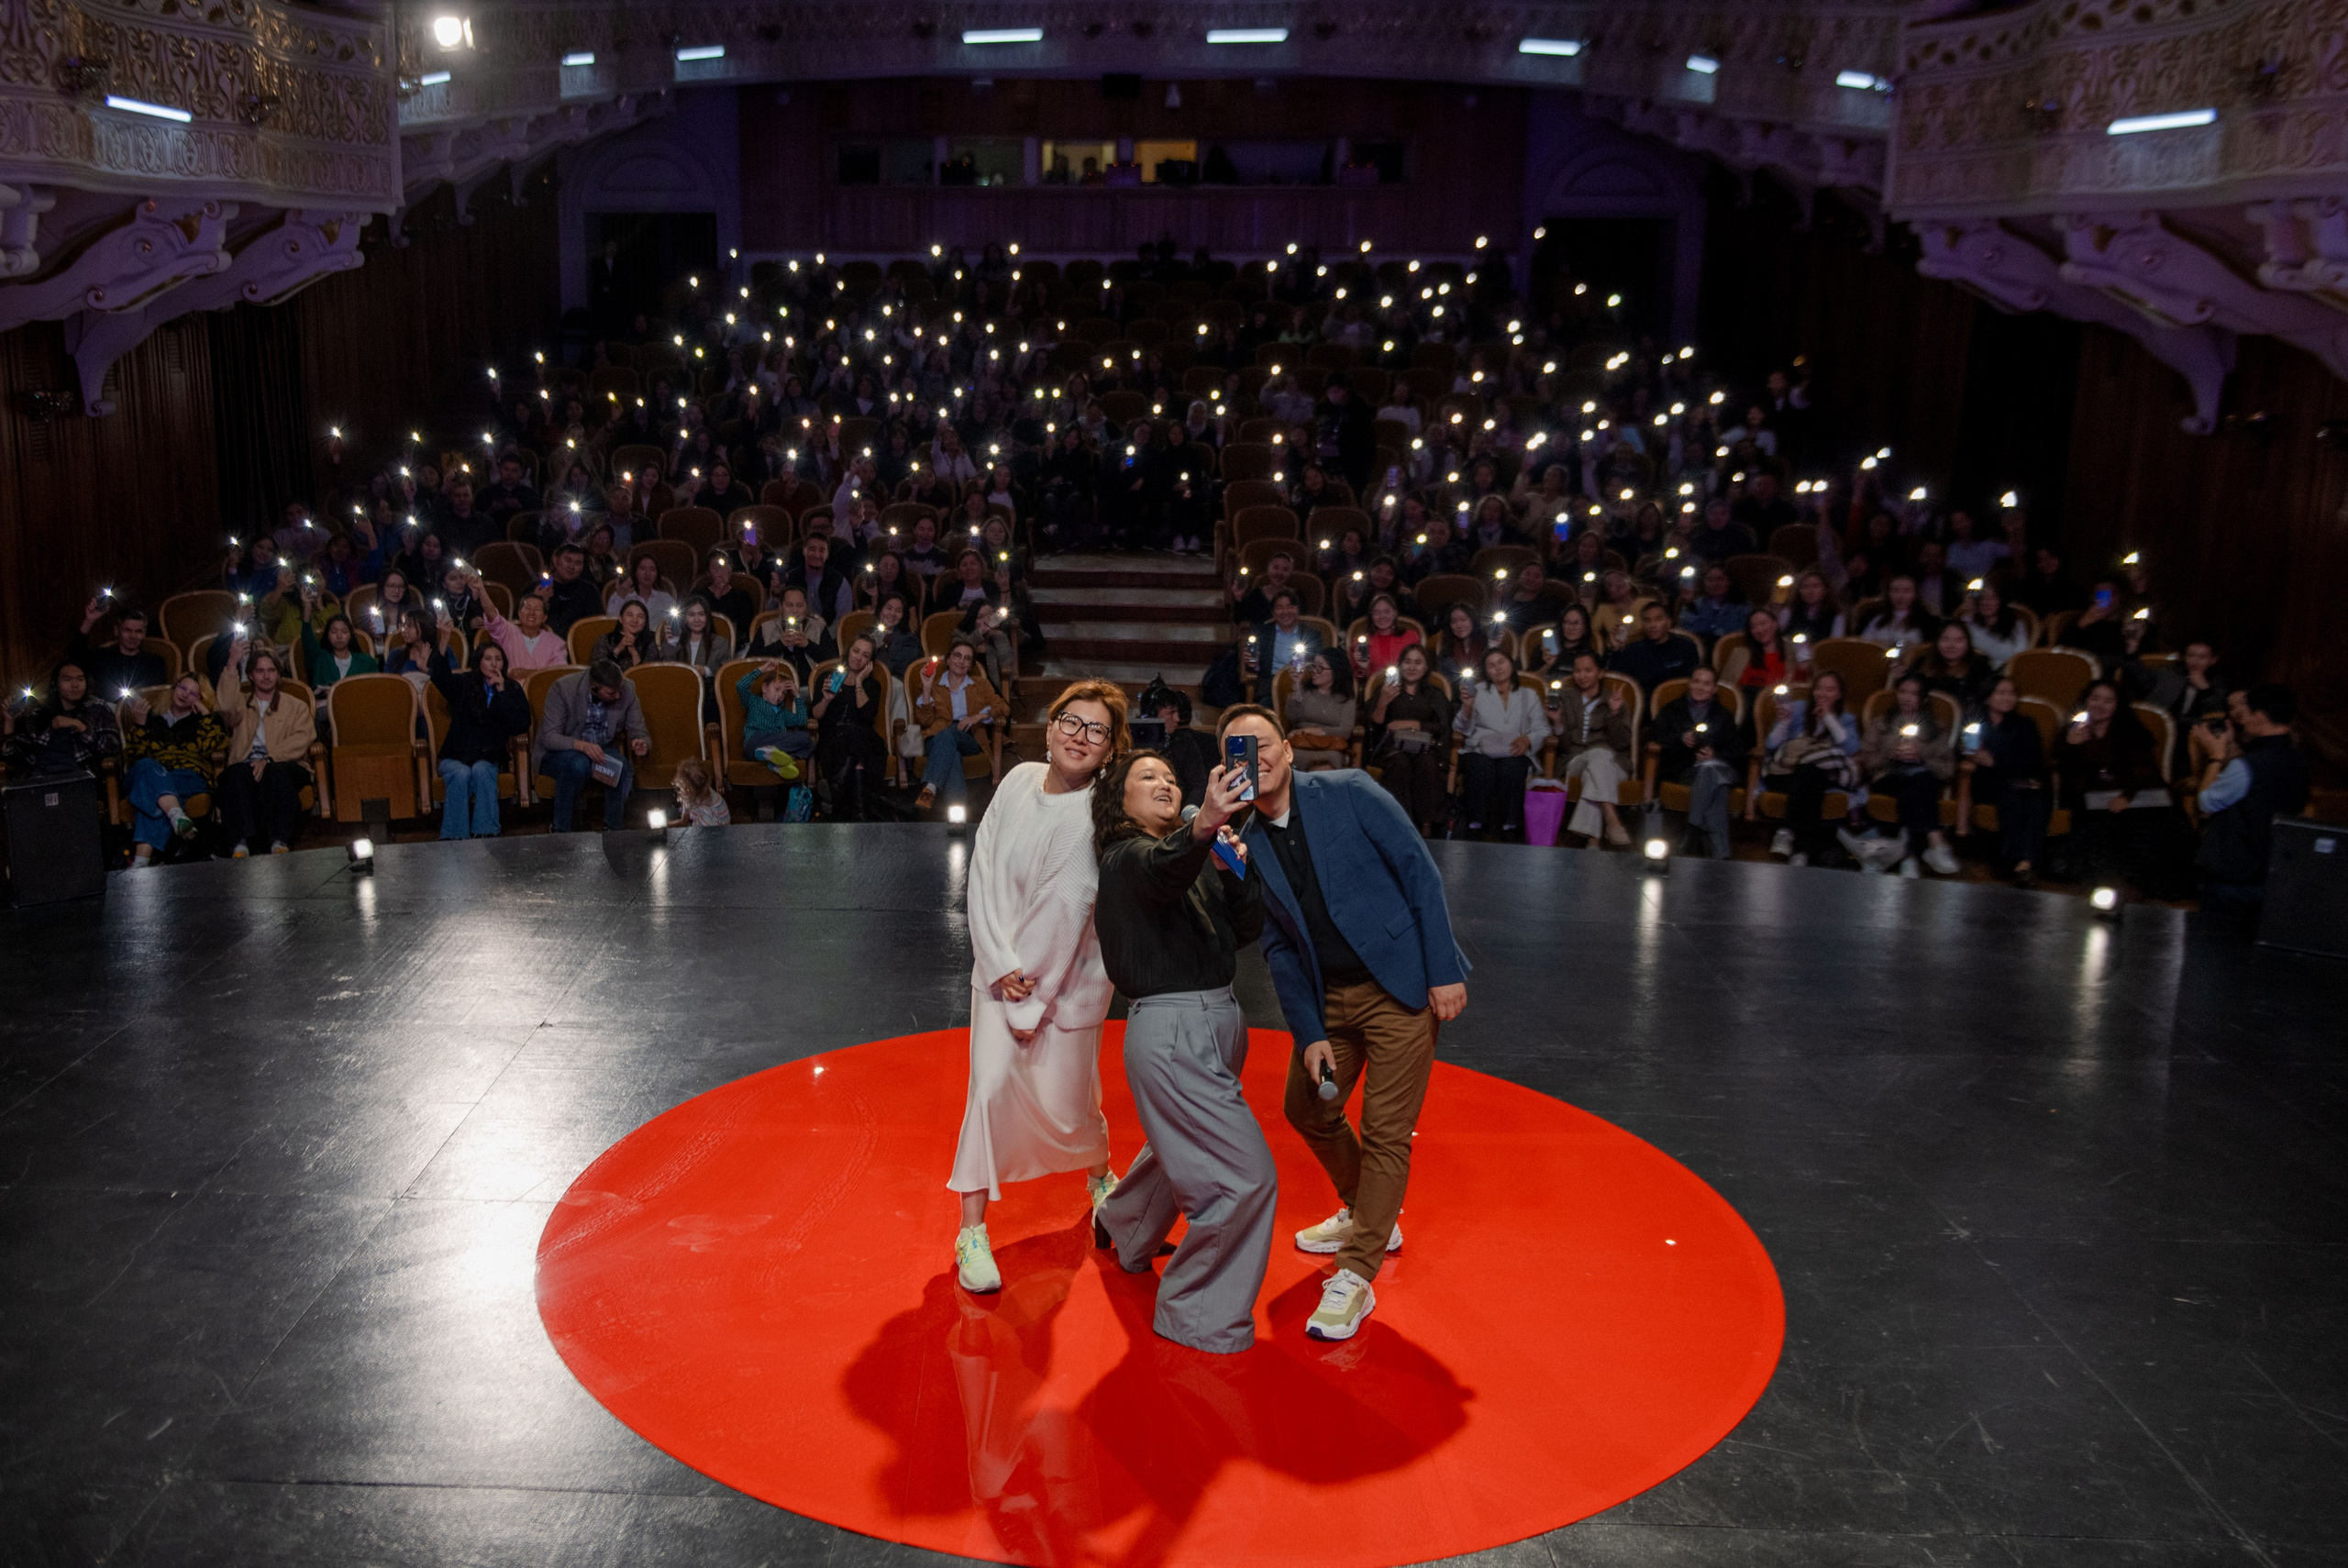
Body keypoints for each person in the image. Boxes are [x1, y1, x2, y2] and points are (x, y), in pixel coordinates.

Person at [1222, 704, 1469, 1342]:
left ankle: (1355, 1272)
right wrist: (1307, 1035)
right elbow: (1277, 946)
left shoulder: (1349, 791)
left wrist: (1444, 970)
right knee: (1307, 1108)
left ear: (1287, 751)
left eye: (1263, 742)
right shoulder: (1244, 840)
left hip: (1401, 987)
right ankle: (1370, 1216)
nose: (1256, 755)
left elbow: (1420, 871)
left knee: (1386, 1132)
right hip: (1329, 1000)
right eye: (1238, 749)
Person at [1088, 752, 1270, 1353]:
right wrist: (1199, 830)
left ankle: (1123, 1223)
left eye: (1171, 775)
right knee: (1240, 1182)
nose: (1166, 781)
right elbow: (1157, 868)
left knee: (1184, 1145)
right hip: (1173, 1029)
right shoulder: (1124, 859)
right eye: (1149, 777)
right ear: (1119, 800)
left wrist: (1234, 865)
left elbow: (1242, 931)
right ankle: (1196, 1312)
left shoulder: (1190, 858)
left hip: (1217, 1017)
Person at [948, 679, 1126, 1294]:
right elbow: (985, 868)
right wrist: (997, 962)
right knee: (989, 1090)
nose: (1080, 737)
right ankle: (972, 1230)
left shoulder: (1104, 808)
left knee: (1074, 1101)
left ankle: (1102, 1181)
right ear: (1049, 730)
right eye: (1070, 724)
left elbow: (1070, 906)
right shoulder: (1018, 779)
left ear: (1110, 748)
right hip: (1000, 982)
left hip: (1068, 984)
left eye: (1096, 730)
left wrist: (1036, 996)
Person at [2194, 683, 2309, 919]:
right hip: (2273, 872)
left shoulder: (2247, 766)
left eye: (2246, 714)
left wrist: (2216, 757)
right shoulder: (2300, 762)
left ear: (2258, 715)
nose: (2242, 721)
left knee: (2215, 946)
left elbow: (2205, 804)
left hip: (2233, 878)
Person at [1849, 675, 1959, 877]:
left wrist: (1921, 755)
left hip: (1923, 779)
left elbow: (1948, 769)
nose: (1907, 698)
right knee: (1917, 782)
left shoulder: (1937, 729)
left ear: (1923, 699)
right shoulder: (1881, 724)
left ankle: (1909, 856)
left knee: (1916, 783)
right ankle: (1935, 842)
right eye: (1903, 692)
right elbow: (1868, 761)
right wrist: (1890, 754)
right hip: (1888, 777)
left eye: (1914, 693)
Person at [213, 641, 315, 856]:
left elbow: (302, 739)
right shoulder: (241, 703)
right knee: (234, 774)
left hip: (287, 763)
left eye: (271, 671)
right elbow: (225, 708)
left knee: (275, 771)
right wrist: (232, 666)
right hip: (246, 763)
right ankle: (240, 843)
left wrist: (269, 759)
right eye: (260, 671)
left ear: (278, 674)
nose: (266, 676)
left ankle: (279, 840)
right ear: (250, 675)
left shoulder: (296, 705)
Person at [427, 639, 532, 840]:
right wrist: (443, 642)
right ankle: (454, 838)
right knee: (461, 773)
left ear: (504, 663)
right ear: (479, 662)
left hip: (488, 757)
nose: (494, 664)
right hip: (456, 756)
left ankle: (486, 834)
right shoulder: (464, 683)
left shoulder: (511, 689)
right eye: (488, 658)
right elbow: (440, 677)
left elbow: (520, 725)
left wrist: (501, 693)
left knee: (482, 770)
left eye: (498, 659)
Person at [532, 659, 650, 833]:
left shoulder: (627, 690)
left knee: (622, 769)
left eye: (619, 691)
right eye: (611, 693)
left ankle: (613, 829)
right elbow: (549, 737)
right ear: (594, 688)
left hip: (601, 747)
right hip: (561, 751)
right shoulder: (563, 689)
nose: (618, 696)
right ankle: (560, 829)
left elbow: (640, 732)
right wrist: (582, 746)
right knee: (579, 765)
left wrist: (642, 743)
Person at [118, 676, 224, 867]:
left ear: (201, 698)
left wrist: (205, 714)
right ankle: (176, 815)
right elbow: (133, 755)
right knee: (148, 766)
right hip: (150, 774)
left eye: (193, 693)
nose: (185, 694)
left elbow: (215, 745)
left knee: (154, 799)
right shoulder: (152, 718)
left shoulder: (203, 721)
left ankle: (140, 862)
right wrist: (140, 725)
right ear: (174, 688)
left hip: (187, 776)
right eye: (183, 688)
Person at [1757, 669, 1860, 866]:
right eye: (1819, 688)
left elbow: (1850, 749)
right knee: (1809, 780)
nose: (1822, 693)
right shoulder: (1797, 708)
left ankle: (1790, 836)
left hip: (1814, 776)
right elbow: (1771, 745)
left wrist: (1829, 718)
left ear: (1839, 695)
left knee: (1810, 774)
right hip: (1784, 772)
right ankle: (1801, 851)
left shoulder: (1846, 719)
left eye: (1830, 690)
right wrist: (1783, 723)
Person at [1654, 665, 1751, 858]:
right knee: (1717, 786)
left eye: (1706, 684)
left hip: (1721, 767)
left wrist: (1714, 755)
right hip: (1687, 771)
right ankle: (1721, 854)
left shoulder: (1723, 715)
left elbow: (1737, 749)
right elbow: (1656, 735)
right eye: (1696, 681)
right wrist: (1680, 739)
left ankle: (1693, 829)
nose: (1700, 687)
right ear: (1690, 684)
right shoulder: (1673, 709)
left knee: (1710, 769)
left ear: (1714, 689)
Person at [1964, 676, 2052, 887]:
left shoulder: (2025, 724)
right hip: (1989, 783)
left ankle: (2024, 864)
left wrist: (1995, 760)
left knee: (2038, 799)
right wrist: (1978, 757)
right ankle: (2013, 861)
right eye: (2001, 693)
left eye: (2011, 693)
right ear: (1988, 697)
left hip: (2021, 780)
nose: (2007, 698)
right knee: (2012, 797)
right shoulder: (1976, 724)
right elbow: (1966, 753)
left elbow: (2032, 760)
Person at [1454, 647, 1545, 841]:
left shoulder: (1529, 694)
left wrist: (1527, 739)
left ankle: (1509, 826)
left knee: (1512, 768)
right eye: (1491, 665)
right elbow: (1461, 728)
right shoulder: (1477, 691)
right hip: (1480, 748)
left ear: (1511, 664)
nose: (1497, 668)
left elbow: (1542, 729)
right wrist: (1467, 707)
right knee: (1481, 767)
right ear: (1486, 671)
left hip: (1514, 748)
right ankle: (1475, 825)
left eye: (1501, 662)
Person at [1545, 651, 1634, 845]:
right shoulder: (1566, 698)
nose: (1582, 675)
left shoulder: (1614, 699)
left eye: (1588, 670)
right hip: (1575, 760)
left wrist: (1614, 713)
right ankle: (1612, 820)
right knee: (1597, 756)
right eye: (1577, 671)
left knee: (1596, 765)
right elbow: (1565, 746)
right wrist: (1558, 723)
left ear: (1600, 673)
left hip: (1614, 764)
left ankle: (1593, 841)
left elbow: (1621, 744)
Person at [1367, 645, 1451, 836]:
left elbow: (1442, 727)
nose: (1412, 667)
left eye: (1418, 663)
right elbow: (1375, 726)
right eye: (1407, 662)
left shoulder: (1433, 694)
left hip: (1424, 748)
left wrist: (1411, 723)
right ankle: (1400, 821)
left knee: (1427, 764)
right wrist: (1383, 702)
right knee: (1400, 763)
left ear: (1426, 667)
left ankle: (1427, 824)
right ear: (1400, 665)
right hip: (1392, 749)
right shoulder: (1387, 689)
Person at [910, 638, 1002, 815]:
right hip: (937, 738)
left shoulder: (980, 685)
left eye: (967, 659)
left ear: (971, 665)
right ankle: (957, 816)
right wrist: (927, 689)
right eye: (957, 656)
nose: (961, 661)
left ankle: (930, 789)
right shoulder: (935, 685)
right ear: (949, 659)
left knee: (949, 736)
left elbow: (1002, 707)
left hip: (969, 737)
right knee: (951, 750)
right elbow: (925, 721)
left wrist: (978, 716)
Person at [811, 635, 890, 819]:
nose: (858, 657)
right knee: (857, 761)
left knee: (855, 734)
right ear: (848, 651)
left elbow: (867, 716)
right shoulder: (828, 677)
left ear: (870, 662)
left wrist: (860, 682)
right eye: (856, 651)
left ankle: (834, 790)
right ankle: (860, 817)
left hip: (865, 741)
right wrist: (826, 699)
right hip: (833, 743)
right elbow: (816, 715)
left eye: (865, 655)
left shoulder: (872, 685)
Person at [4, 659, 122, 778]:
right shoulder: (38, 713)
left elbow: (112, 748)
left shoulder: (97, 707)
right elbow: (12, 758)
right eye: (67, 680)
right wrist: (9, 721)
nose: (75, 685)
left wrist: (80, 726)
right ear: (56, 685)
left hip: (81, 778)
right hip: (40, 779)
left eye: (80, 679)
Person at [71, 600, 170, 693]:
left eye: (138, 631)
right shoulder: (102, 657)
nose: (133, 636)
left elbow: (158, 697)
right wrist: (89, 620)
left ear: (144, 634)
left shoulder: (155, 663)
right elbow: (75, 654)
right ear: (117, 631)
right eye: (127, 630)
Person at [737, 660, 810, 781]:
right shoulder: (754, 701)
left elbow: (802, 721)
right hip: (756, 741)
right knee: (758, 743)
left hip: (776, 743)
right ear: (764, 688)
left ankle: (777, 763)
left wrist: (797, 695)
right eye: (776, 689)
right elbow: (741, 686)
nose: (780, 695)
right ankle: (775, 756)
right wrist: (761, 670)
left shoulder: (782, 712)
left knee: (806, 739)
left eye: (784, 693)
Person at [1283, 652, 1357, 772]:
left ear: (1335, 671)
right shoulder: (1305, 691)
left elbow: (1345, 731)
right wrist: (1296, 685)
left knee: (1331, 759)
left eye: (1320, 667)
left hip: (1330, 746)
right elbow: (1291, 716)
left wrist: (1309, 730)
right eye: (1313, 666)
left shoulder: (1346, 697)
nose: (1314, 671)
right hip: (1302, 743)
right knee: (1288, 756)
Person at [1607, 601, 1700, 693]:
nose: (1652, 625)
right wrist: (1616, 649)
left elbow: (1695, 681)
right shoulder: (1633, 650)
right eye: (1647, 620)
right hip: (1645, 703)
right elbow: (1616, 681)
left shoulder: (1686, 647)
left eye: (1658, 619)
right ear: (1643, 624)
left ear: (1669, 622)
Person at [482, 587, 568, 672]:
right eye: (527, 608)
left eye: (537, 609)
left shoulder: (556, 643)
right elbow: (492, 615)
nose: (532, 613)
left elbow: (558, 673)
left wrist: (527, 673)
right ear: (519, 613)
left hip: (542, 686)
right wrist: (481, 589)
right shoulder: (507, 631)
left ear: (544, 618)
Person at [297, 611, 379, 692]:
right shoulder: (320, 658)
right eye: (334, 632)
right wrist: (307, 610)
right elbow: (308, 641)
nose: (339, 636)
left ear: (350, 636)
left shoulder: (367, 662)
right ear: (328, 636)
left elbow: (375, 690)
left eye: (344, 632)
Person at [591, 599, 659, 670]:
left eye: (640, 617)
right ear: (620, 618)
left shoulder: (650, 643)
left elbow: (648, 676)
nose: (635, 620)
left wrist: (634, 652)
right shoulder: (605, 640)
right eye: (630, 615)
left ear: (645, 622)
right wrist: (619, 648)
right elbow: (597, 672)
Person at [670, 757, 732, 828]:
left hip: (714, 832)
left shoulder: (713, 816)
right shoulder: (696, 795)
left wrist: (666, 824)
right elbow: (684, 821)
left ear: (688, 791)